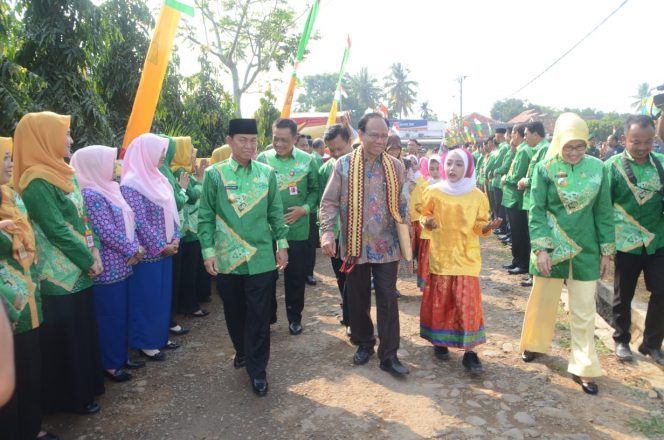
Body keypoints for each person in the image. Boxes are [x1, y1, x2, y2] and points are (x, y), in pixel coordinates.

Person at [14, 111, 104, 414]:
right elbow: (55, 229)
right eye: (64, 133)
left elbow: (83, 218)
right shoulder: (35, 181)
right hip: (57, 277)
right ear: (45, 137)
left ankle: (88, 388)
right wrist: (86, 258)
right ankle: (70, 398)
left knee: (83, 331)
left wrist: (95, 253)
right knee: (67, 337)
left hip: (82, 268)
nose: (70, 140)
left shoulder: (64, 172)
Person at [519, 113, 615, 395]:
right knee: (542, 299)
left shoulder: (599, 168)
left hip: (587, 249)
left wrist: (606, 253)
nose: (573, 152)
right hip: (550, 247)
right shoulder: (544, 168)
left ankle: (584, 367)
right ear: (558, 141)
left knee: (585, 309)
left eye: (580, 146)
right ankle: (534, 344)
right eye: (568, 146)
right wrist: (542, 249)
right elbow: (536, 211)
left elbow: (604, 212)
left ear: (587, 144)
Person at [198, 118, 289, 396]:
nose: (249, 146)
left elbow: (275, 213)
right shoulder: (215, 175)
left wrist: (282, 244)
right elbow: (204, 218)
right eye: (243, 140)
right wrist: (207, 252)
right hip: (228, 260)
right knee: (234, 312)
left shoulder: (267, 174)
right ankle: (242, 350)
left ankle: (258, 369)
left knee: (260, 316)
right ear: (230, 142)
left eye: (253, 141)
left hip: (261, 258)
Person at [320, 113, 410, 377]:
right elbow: (329, 202)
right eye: (375, 135)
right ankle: (364, 342)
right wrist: (327, 233)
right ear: (360, 135)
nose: (381, 141)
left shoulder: (396, 166)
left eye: (384, 136)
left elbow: (402, 206)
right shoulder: (344, 165)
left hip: (387, 245)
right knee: (357, 296)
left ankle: (389, 354)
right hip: (354, 245)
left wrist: (408, 241)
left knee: (387, 297)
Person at [419, 148, 502, 374]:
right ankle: (440, 341)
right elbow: (423, 215)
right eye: (449, 164)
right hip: (442, 256)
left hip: (466, 257)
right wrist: (428, 222)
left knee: (467, 304)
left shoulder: (477, 196)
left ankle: (470, 352)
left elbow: (478, 225)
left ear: (467, 168)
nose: (452, 169)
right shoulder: (433, 191)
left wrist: (487, 227)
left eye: (458, 164)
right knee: (442, 301)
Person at [0, 138, 58, 439]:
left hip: (28, 294)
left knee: (29, 368)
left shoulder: (13, 195)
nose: (11, 163)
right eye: (5, 158)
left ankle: (31, 427)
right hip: (7, 304)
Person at [71, 145, 143, 383]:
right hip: (108, 268)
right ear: (94, 165)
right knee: (110, 316)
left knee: (122, 312)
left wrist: (134, 250)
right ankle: (110, 363)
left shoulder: (111, 188)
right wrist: (134, 249)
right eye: (110, 162)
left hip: (123, 264)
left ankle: (120, 356)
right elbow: (106, 231)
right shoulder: (91, 195)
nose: (115, 167)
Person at [606, 115, 664, 364]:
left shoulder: (661, 163)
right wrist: (606, 247)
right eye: (635, 142)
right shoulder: (611, 167)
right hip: (625, 241)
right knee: (624, 294)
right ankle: (621, 340)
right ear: (624, 140)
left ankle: (652, 344)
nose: (642, 148)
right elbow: (603, 208)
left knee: (662, 291)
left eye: (648, 142)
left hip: (657, 240)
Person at [121, 133, 180, 362]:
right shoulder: (131, 184)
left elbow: (172, 212)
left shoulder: (159, 179)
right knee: (147, 297)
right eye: (160, 153)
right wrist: (160, 245)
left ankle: (159, 336)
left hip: (167, 249)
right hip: (147, 254)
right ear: (146, 154)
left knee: (162, 296)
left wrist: (175, 238)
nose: (163, 158)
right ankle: (145, 342)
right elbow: (138, 221)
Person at [257, 118, 319, 335]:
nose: (279, 144)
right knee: (267, 276)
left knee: (295, 276)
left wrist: (305, 208)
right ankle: (269, 315)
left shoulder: (308, 161)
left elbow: (315, 191)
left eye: (284, 140)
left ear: (295, 139)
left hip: (298, 229)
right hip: (268, 231)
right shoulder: (262, 160)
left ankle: (295, 317)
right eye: (275, 139)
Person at [319, 124, 353, 334]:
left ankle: (353, 318)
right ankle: (349, 315)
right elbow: (323, 202)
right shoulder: (325, 169)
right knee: (341, 277)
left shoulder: (361, 164)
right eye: (332, 150)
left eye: (341, 148)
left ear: (350, 142)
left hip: (357, 235)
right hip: (336, 234)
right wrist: (325, 231)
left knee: (355, 279)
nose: (337, 154)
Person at [170, 137, 210, 317]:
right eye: (190, 151)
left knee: (190, 270)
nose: (194, 155)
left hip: (190, 229)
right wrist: (200, 180)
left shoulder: (183, 171)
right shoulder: (179, 171)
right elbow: (193, 196)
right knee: (188, 271)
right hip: (187, 231)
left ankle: (189, 303)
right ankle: (189, 305)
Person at [159, 137, 190, 339]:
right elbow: (178, 201)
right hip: (162, 241)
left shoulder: (166, 171)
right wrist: (184, 189)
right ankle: (166, 322)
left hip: (173, 235)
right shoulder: (165, 172)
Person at [518, 121, 550, 287]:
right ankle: (533, 273)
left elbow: (542, 175)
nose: (525, 138)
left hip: (535, 199)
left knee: (536, 238)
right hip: (530, 198)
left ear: (536, 134)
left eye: (526, 134)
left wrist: (526, 180)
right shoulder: (539, 149)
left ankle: (535, 273)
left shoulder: (544, 149)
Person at [501, 124, 532, 276]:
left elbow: (517, 175)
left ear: (517, 134)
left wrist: (506, 178)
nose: (511, 136)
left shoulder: (524, 150)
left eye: (512, 133)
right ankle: (517, 260)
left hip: (516, 198)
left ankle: (522, 263)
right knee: (516, 232)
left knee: (520, 233)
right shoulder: (520, 150)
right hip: (513, 197)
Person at [409, 155, 441, 291]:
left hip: (444, 231)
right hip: (428, 230)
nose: (434, 171)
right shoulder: (424, 184)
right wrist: (428, 212)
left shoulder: (448, 186)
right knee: (427, 257)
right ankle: (427, 285)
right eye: (431, 168)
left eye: (437, 168)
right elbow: (417, 204)